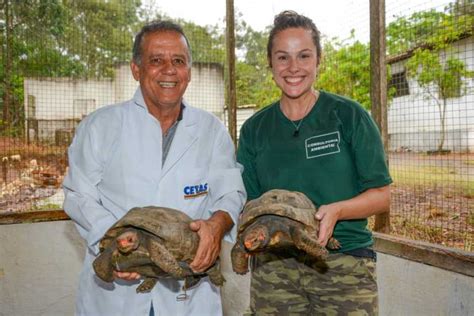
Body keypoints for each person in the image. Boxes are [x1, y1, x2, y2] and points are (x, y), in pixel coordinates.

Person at [63, 20, 246, 316]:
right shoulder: (100, 126)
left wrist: (217, 225)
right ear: (137, 69)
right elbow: (78, 195)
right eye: (156, 60)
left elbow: (231, 193)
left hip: (188, 292)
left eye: (178, 61)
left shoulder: (211, 130)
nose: (169, 70)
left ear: (188, 71)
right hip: (118, 293)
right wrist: (113, 244)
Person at [237, 10, 392, 315]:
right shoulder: (255, 129)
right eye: (283, 57)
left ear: (319, 59)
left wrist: (338, 210)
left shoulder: (348, 115)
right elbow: (251, 204)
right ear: (270, 63)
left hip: (343, 259)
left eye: (304, 56)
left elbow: (382, 196)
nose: (293, 67)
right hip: (274, 265)